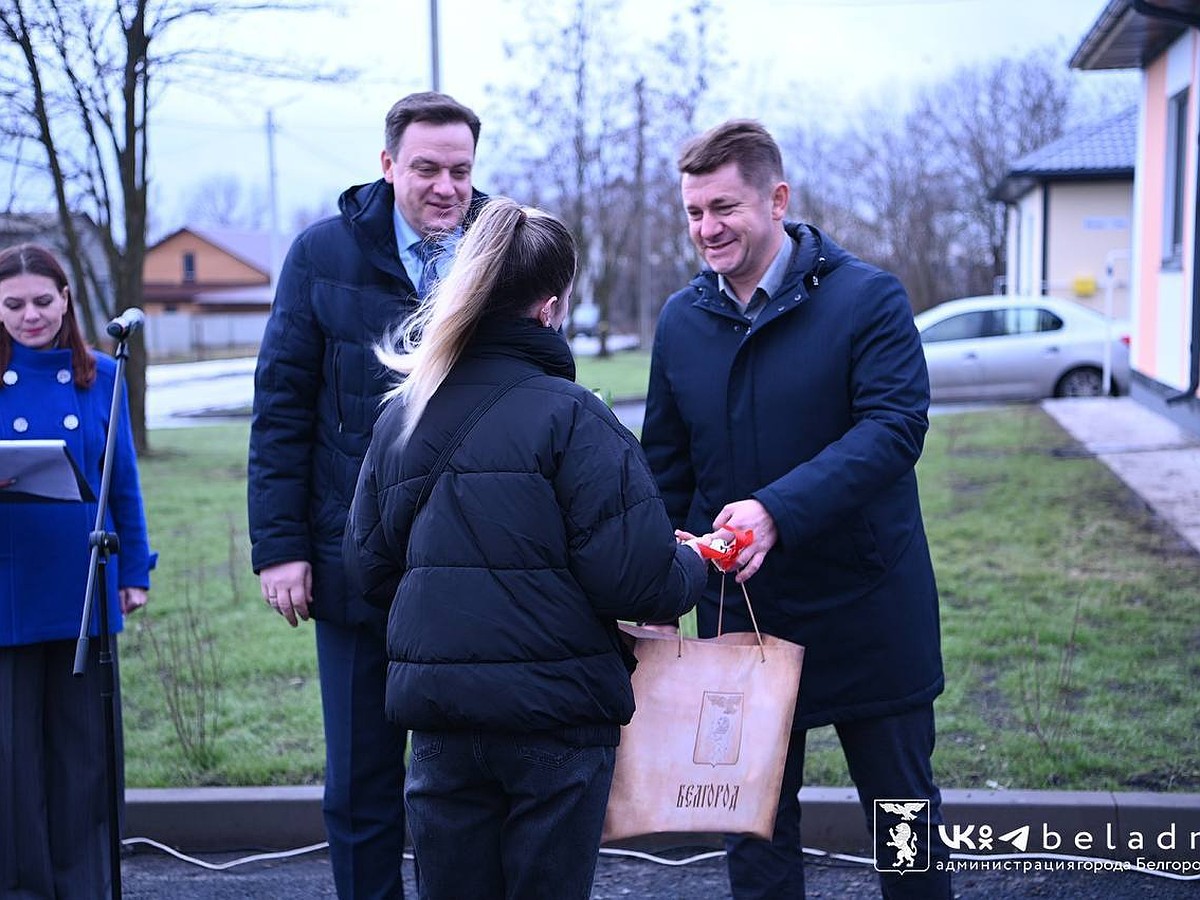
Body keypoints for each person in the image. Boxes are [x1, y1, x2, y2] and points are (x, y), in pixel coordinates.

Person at [343, 197, 710, 900]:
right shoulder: (575, 417)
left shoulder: (401, 416)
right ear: (550, 307)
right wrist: (695, 560)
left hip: (442, 722)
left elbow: (366, 568)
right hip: (558, 724)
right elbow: (637, 580)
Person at [641, 119, 952, 899]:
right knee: (753, 836)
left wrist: (776, 511)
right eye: (692, 212)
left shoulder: (869, 299)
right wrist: (648, 584)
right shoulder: (682, 320)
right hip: (742, 616)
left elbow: (893, 430)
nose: (706, 229)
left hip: (870, 613)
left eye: (724, 208)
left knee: (904, 829)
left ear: (777, 199)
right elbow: (666, 464)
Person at [247, 91, 486, 899]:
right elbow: (281, 408)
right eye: (426, 168)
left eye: (460, 169)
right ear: (388, 166)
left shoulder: (501, 249)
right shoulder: (321, 256)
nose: (445, 187)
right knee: (361, 784)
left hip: (471, 565)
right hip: (355, 565)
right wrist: (280, 547)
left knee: (461, 786)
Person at [0, 243, 153, 897]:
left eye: (42, 300)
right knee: (11, 756)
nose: (30, 315)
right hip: (8, 584)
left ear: (66, 299)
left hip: (81, 582)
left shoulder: (103, 378)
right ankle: (21, 885)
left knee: (81, 751)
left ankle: (85, 882)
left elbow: (123, 482)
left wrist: (135, 568)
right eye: (13, 304)